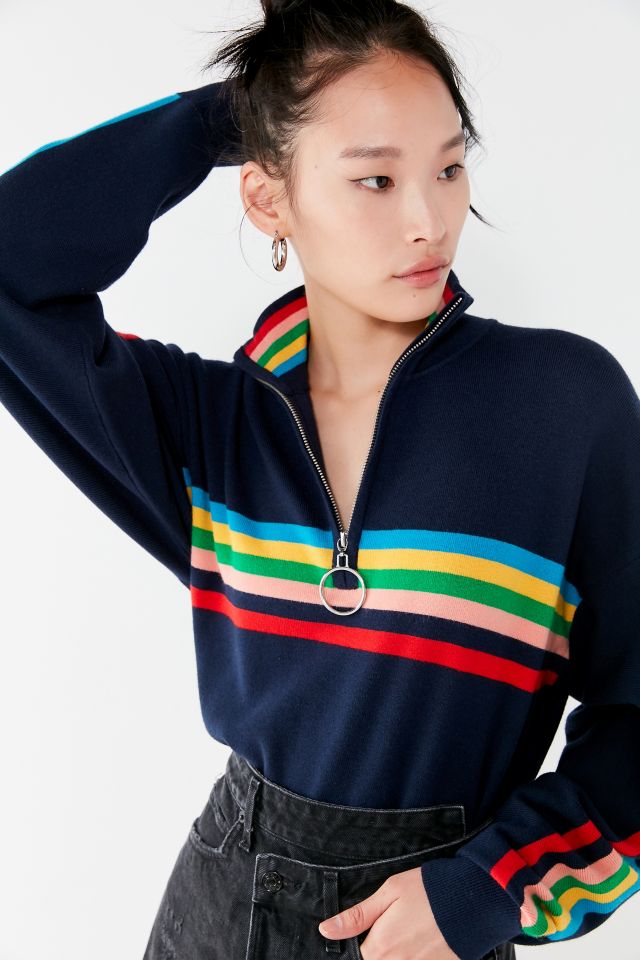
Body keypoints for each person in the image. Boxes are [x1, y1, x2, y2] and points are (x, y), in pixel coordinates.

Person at [1, 1, 639, 958]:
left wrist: (487, 888)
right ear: (269, 201)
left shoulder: (564, 405)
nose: (427, 220)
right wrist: (240, 111)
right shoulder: (213, 425)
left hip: (429, 920)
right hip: (219, 910)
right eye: (375, 178)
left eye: (449, 168)